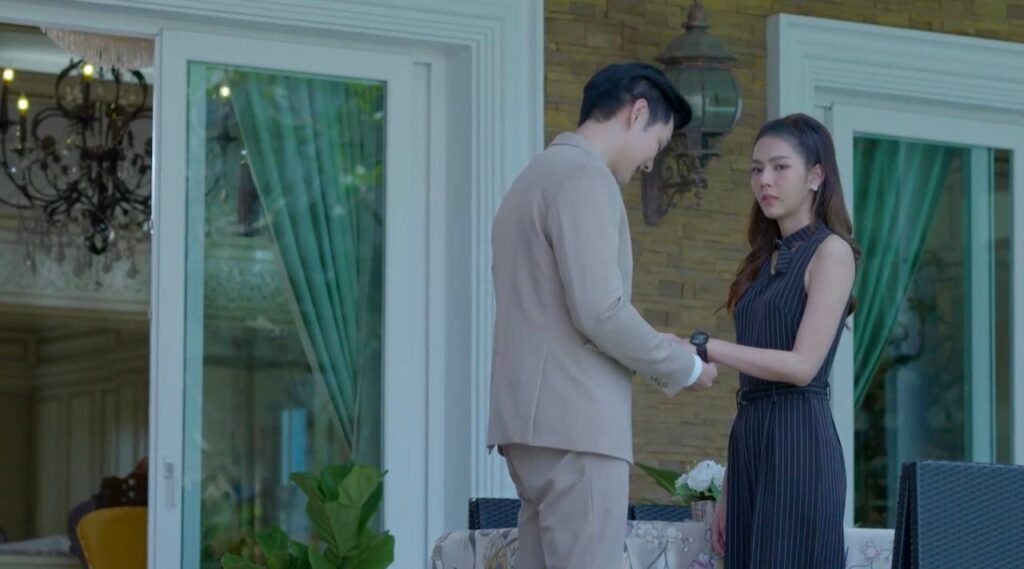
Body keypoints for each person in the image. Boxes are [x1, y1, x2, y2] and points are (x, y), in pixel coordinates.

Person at [486, 62, 719, 569]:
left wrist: (653, 341)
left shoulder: (531, 179)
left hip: (527, 427)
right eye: (657, 144)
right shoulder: (585, 178)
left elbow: (557, 309)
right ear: (637, 113)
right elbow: (600, 311)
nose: (651, 164)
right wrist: (685, 367)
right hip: (578, 428)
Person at [700, 113, 859, 568]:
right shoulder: (761, 261)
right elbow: (752, 391)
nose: (764, 180)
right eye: (756, 169)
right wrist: (729, 488)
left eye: (780, 167)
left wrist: (708, 348)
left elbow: (802, 366)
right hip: (750, 439)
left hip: (798, 441)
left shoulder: (832, 252)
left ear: (815, 176)